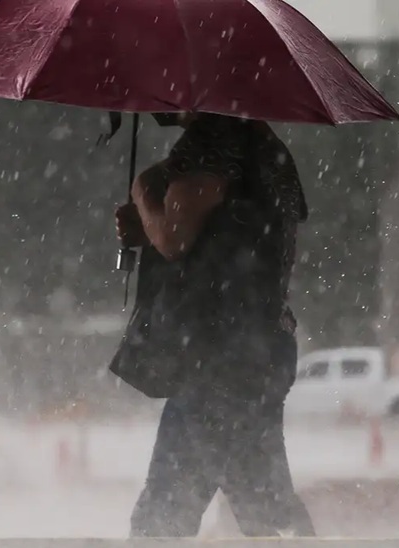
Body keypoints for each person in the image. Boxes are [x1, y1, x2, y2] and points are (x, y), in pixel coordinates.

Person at [113, 112, 316, 538]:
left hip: (218, 356)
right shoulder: (265, 145)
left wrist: (144, 193)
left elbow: (173, 237)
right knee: (174, 511)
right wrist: (149, 225)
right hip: (252, 348)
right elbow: (228, 238)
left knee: (260, 511)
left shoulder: (214, 140)